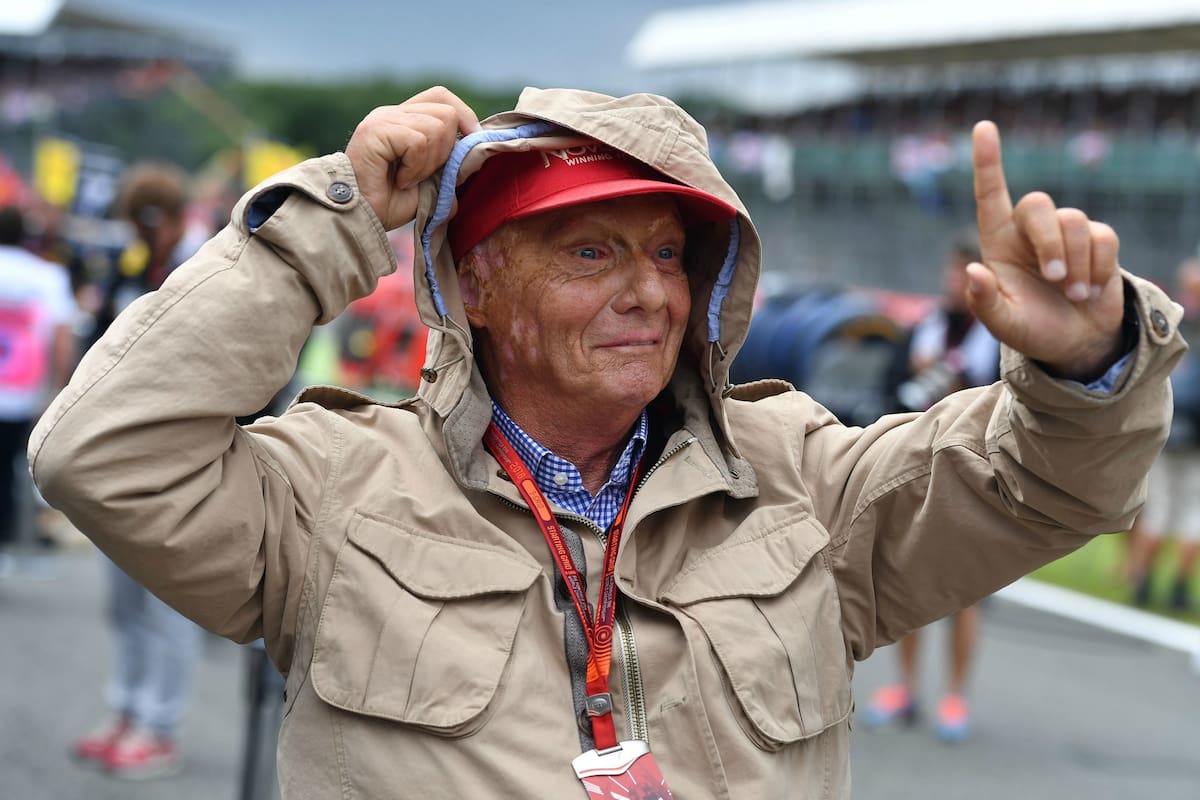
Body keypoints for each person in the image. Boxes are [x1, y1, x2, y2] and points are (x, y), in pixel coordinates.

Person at [29, 86, 1181, 798]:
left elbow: (1041, 483)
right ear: (474, 283)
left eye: (670, 253)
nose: (647, 291)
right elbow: (102, 452)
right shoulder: (336, 486)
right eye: (590, 252)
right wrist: (328, 218)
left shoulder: (796, 474)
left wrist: (1085, 364)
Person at [68, 164, 206, 780]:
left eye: (146, 227)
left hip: (183, 463)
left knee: (167, 606)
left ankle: (159, 725)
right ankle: (124, 711)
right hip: (123, 459)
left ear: (170, 220)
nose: (140, 238)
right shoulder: (130, 267)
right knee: (122, 603)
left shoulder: (211, 270)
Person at [865, 232, 1001, 742]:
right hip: (918, 470)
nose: (952, 285)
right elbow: (888, 392)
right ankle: (905, 687)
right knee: (907, 583)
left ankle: (955, 696)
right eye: (950, 274)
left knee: (965, 593)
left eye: (963, 277)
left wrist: (958, 389)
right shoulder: (923, 328)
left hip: (976, 480)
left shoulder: (1000, 338)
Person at [1123, 258, 1200, 612]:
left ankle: (1143, 580)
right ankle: (1180, 588)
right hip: (1196, 437)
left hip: (1169, 429)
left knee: (1159, 510)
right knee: (1192, 515)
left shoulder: (1171, 320)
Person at [0, 206, 75, 560]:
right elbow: (62, 337)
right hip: (21, 390)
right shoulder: (47, 276)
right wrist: (61, 390)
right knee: (13, 468)